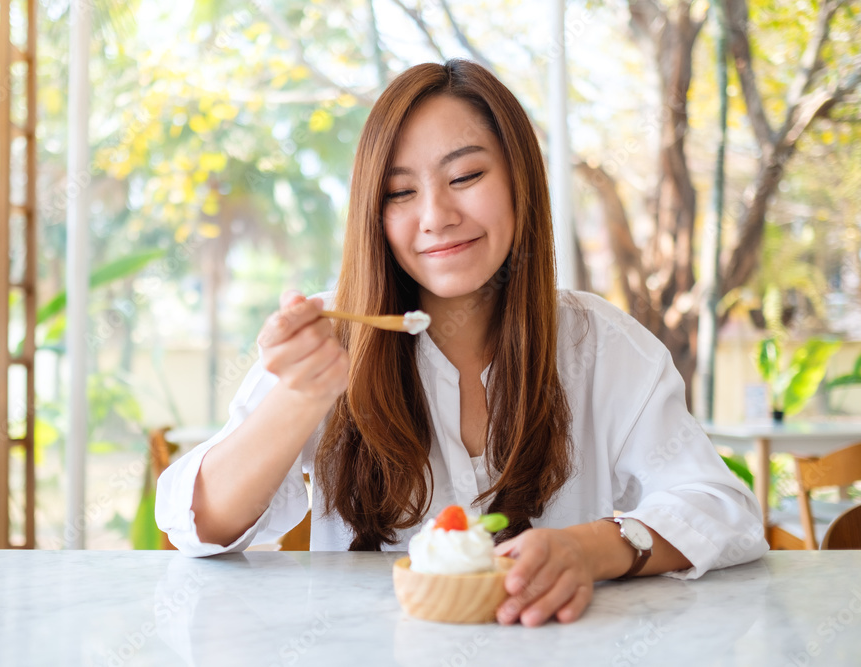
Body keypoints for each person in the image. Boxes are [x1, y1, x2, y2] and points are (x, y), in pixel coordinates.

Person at [155, 59, 767, 627]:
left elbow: (725, 509)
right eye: (401, 192)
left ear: (520, 180)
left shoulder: (601, 345)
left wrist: (594, 548)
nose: (435, 215)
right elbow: (196, 525)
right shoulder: (333, 340)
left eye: (466, 175)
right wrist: (298, 398)